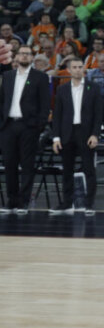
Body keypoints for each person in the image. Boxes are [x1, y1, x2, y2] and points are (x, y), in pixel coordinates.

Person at [0, 44, 51, 214]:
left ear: (32, 58)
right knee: (9, 165)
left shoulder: (40, 77)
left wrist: (38, 126)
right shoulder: (7, 76)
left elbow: (45, 105)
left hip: (28, 126)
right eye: (21, 54)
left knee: (27, 165)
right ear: (16, 57)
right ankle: (11, 201)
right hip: (8, 126)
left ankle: (23, 201)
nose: (24, 56)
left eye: (27, 54)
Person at [49, 55, 102, 215]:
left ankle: (89, 204)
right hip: (67, 133)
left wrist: (95, 134)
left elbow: (98, 114)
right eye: (75, 67)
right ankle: (67, 203)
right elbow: (57, 115)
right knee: (67, 170)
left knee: (89, 169)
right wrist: (56, 138)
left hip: (85, 133)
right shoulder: (62, 89)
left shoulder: (93, 88)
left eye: (80, 67)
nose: (78, 70)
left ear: (84, 69)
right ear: (69, 70)